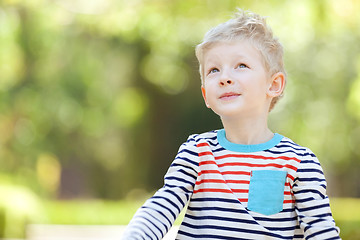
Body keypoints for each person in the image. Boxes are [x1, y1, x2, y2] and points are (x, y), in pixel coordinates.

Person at [122, 9, 340, 240]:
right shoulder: (197, 152)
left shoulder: (299, 162)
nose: (225, 77)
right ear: (206, 94)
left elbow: (321, 231)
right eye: (214, 70)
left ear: (274, 84)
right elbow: (162, 206)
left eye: (241, 66)